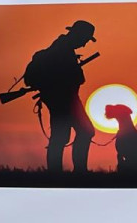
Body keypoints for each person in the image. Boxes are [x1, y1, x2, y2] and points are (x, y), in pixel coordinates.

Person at [21, 21, 98, 173]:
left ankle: (61, 173)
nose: (84, 44)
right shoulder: (62, 49)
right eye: (85, 39)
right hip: (64, 99)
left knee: (64, 135)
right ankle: (74, 172)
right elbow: (76, 78)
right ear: (78, 35)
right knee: (78, 132)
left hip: (63, 98)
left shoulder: (61, 47)